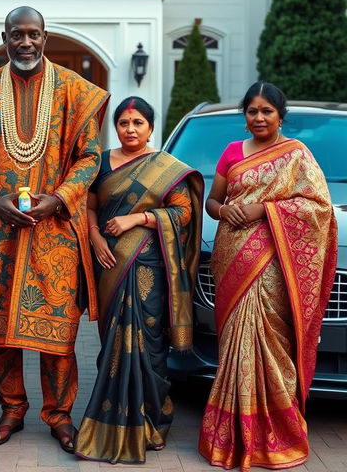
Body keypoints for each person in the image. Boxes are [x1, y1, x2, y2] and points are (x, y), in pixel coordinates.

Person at [0, 6, 109, 453]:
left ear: (45, 36)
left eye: (33, 34)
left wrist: (58, 199)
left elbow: (90, 157)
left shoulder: (75, 91)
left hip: (55, 230)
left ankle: (59, 416)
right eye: (17, 34)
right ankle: (11, 410)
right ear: (4, 37)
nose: (25, 42)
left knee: (59, 331)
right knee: (0, 329)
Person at [198, 82, 338, 471]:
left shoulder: (296, 155)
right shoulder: (231, 153)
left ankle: (277, 433)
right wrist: (224, 212)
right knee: (234, 344)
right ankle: (230, 437)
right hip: (232, 257)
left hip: (274, 264)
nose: (259, 118)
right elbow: (213, 201)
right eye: (252, 111)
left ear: (280, 116)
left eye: (267, 111)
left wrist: (265, 210)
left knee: (269, 339)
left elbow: (319, 207)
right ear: (244, 117)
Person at [74, 96, 203, 464]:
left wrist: (137, 220)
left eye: (138, 123)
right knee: (113, 341)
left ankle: (153, 420)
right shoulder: (100, 162)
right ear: (115, 127)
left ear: (150, 127)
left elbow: (182, 212)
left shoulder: (164, 167)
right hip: (108, 262)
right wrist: (96, 238)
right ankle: (111, 418)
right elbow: (89, 206)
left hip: (149, 265)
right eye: (124, 123)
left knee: (149, 341)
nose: (130, 129)